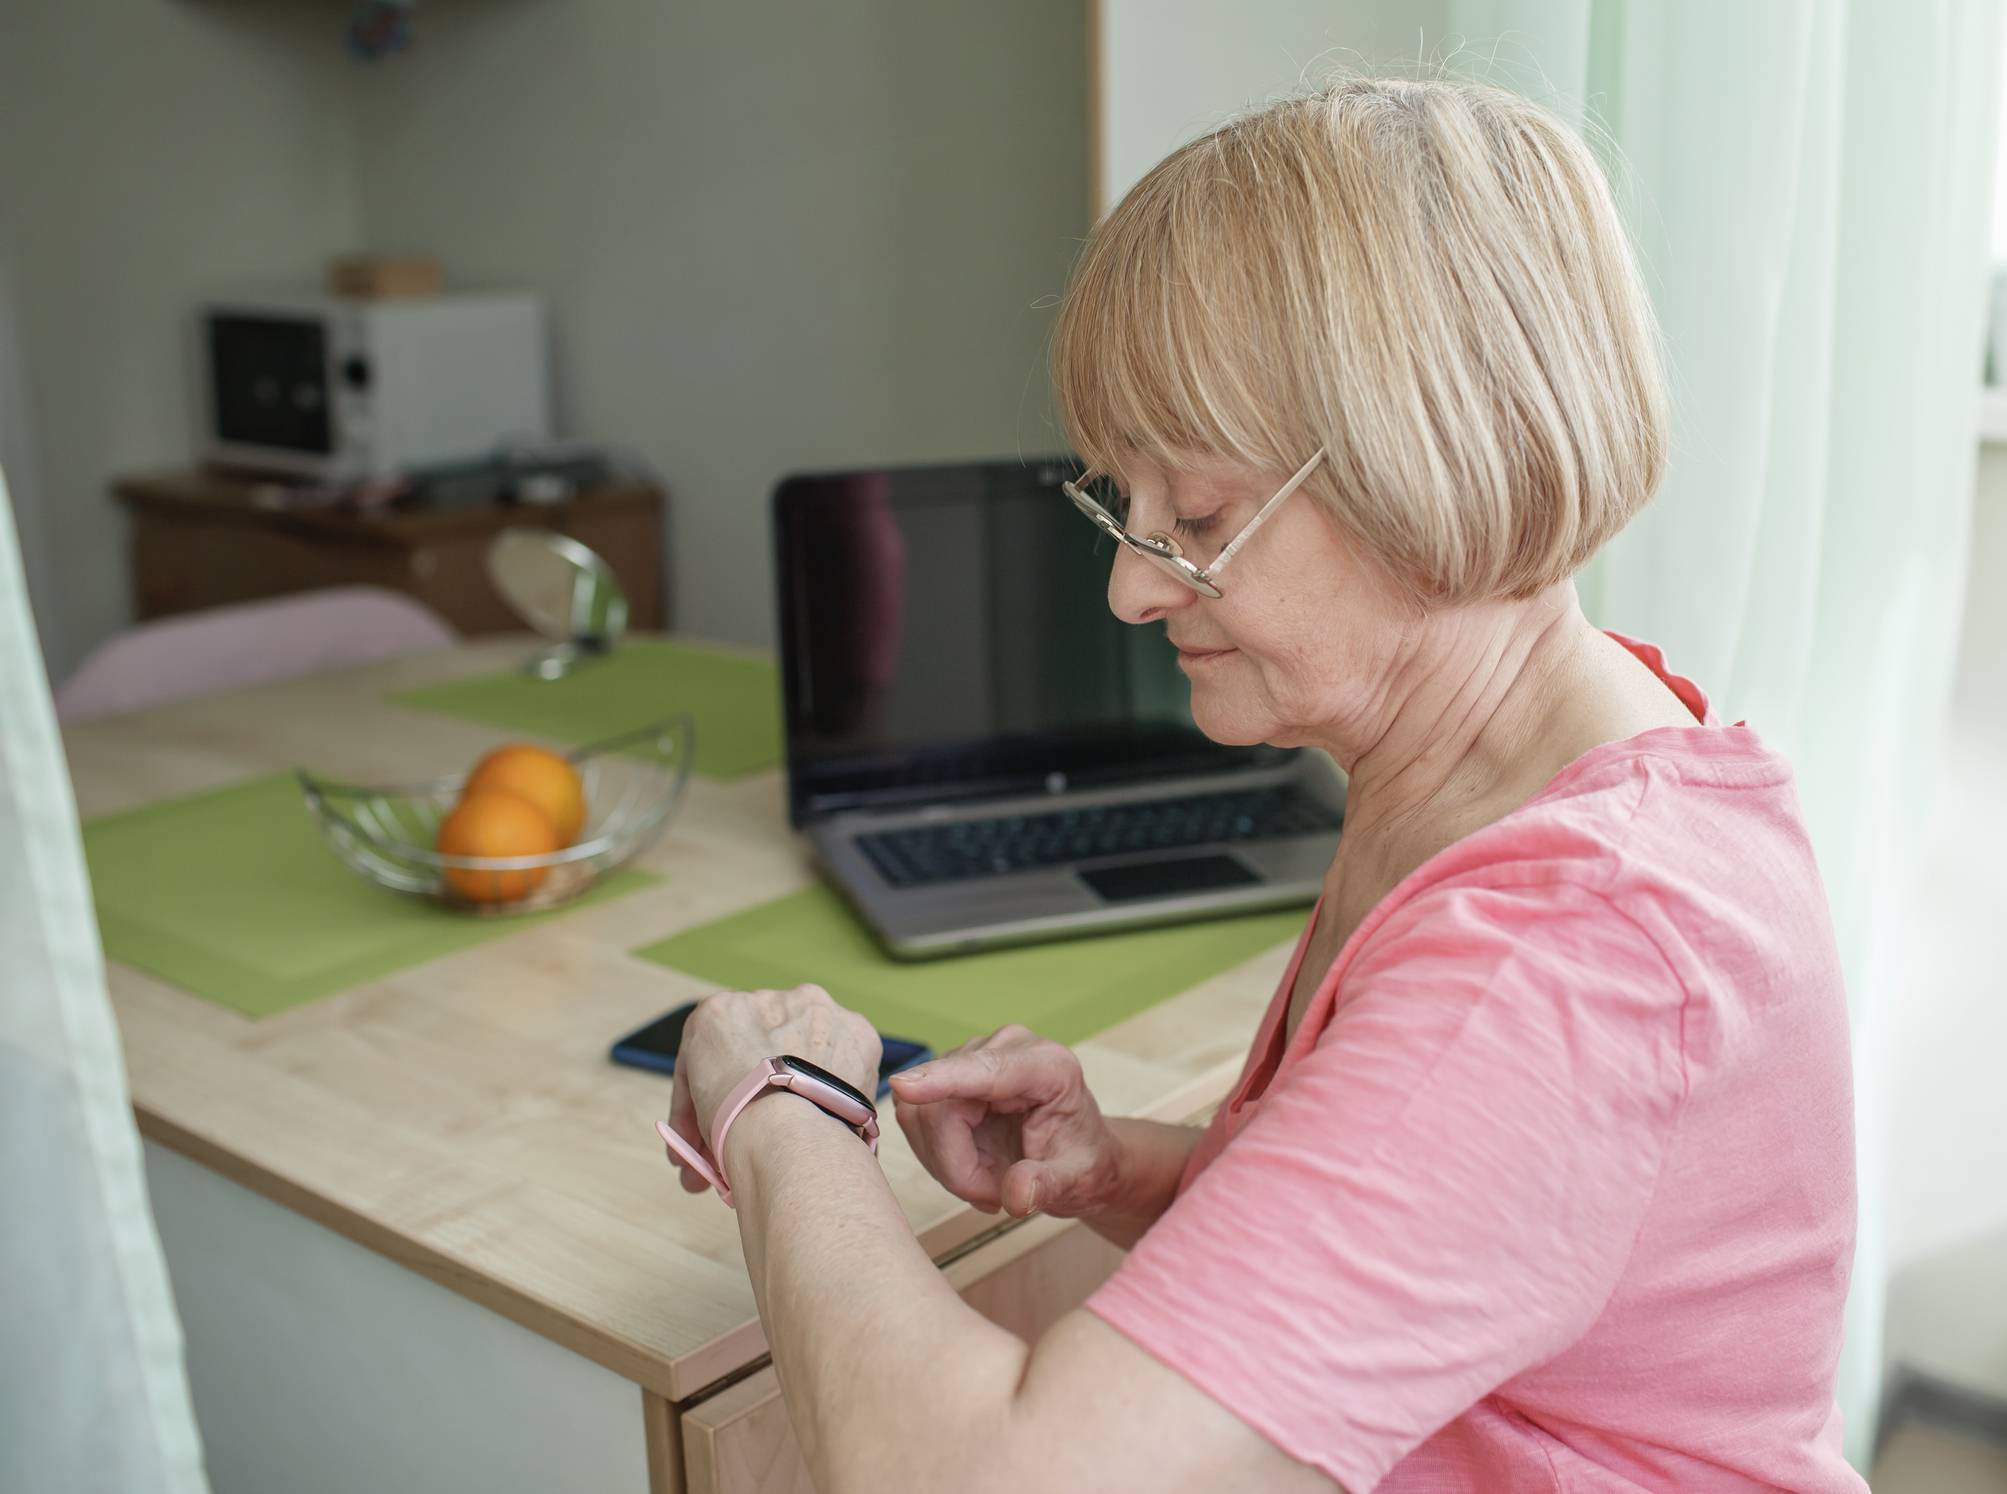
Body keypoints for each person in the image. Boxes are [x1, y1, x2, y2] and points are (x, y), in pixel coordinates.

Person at [664, 75, 1867, 1492]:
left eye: (1202, 515)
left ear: (1438, 451)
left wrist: (782, 1108)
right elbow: (1469, 1239)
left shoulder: (1565, 946)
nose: (1125, 585)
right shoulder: (1510, 766)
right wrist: (1132, 1168)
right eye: (1123, 501)